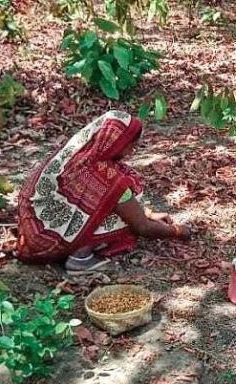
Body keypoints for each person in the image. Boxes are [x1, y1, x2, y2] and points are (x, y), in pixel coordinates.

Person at [16, 111, 191, 273]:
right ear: (119, 144)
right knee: (116, 204)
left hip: (32, 228)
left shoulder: (75, 152)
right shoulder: (108, 178)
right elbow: (141, 227)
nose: (132, 152)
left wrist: (147, 214)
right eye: (131, 147)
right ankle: (80, 256)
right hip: (49, 242)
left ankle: (78, 245)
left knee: (114, 199)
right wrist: (176, 231)